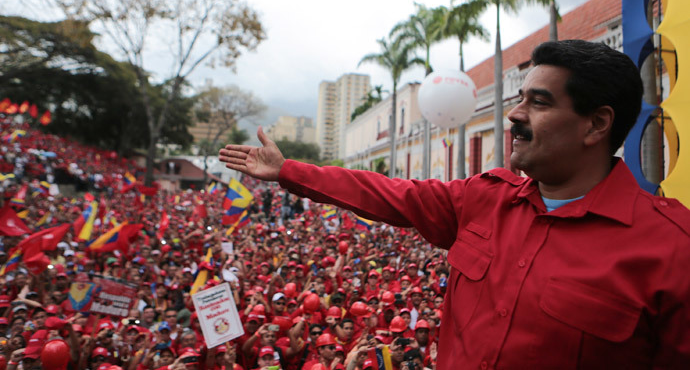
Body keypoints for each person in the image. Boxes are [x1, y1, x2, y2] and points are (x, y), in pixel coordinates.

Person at [219, 39, 690, 369]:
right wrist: (289, 172)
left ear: (596, 125)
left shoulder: (671, 251)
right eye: (519, 97)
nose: (514, 114)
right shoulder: (483, 199)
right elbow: (389, 195)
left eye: (539, 103)